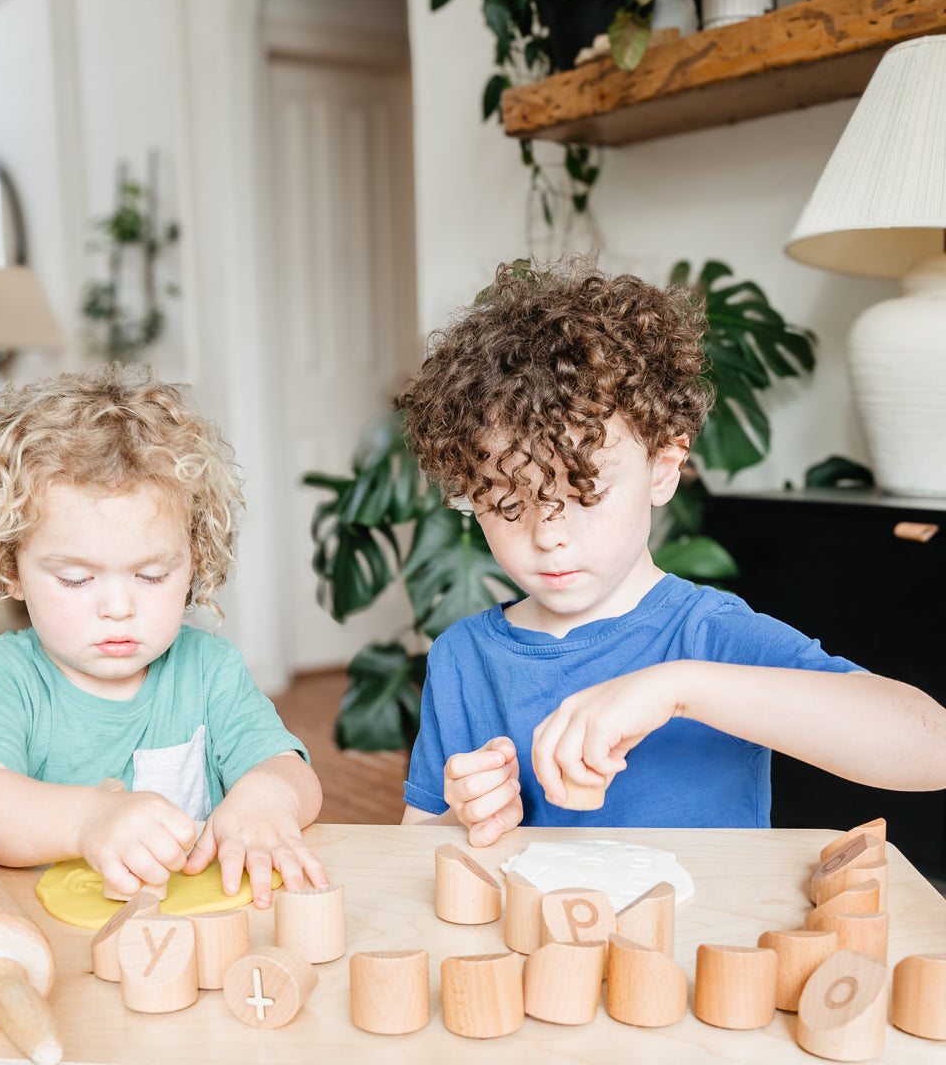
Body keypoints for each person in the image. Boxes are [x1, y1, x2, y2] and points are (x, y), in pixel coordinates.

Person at [396, 261, 946, 847]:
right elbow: (413, 845)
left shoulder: (711, 638)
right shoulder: (464, 659)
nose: (547, 534)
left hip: (700, 939)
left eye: (586, 495)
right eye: (508, 501)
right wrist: (464, 816)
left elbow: (930, 744)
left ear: (663, 469)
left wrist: (678, 688)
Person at [0, 364, 326, 908]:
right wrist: (89, 819)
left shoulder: (208, 669)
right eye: (75, 579)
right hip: (52, 942)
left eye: (152, 575)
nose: (118, 607)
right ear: (9, 567)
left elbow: (288, 769)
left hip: (193, 935)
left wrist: (267, 796)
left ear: (195, 561)